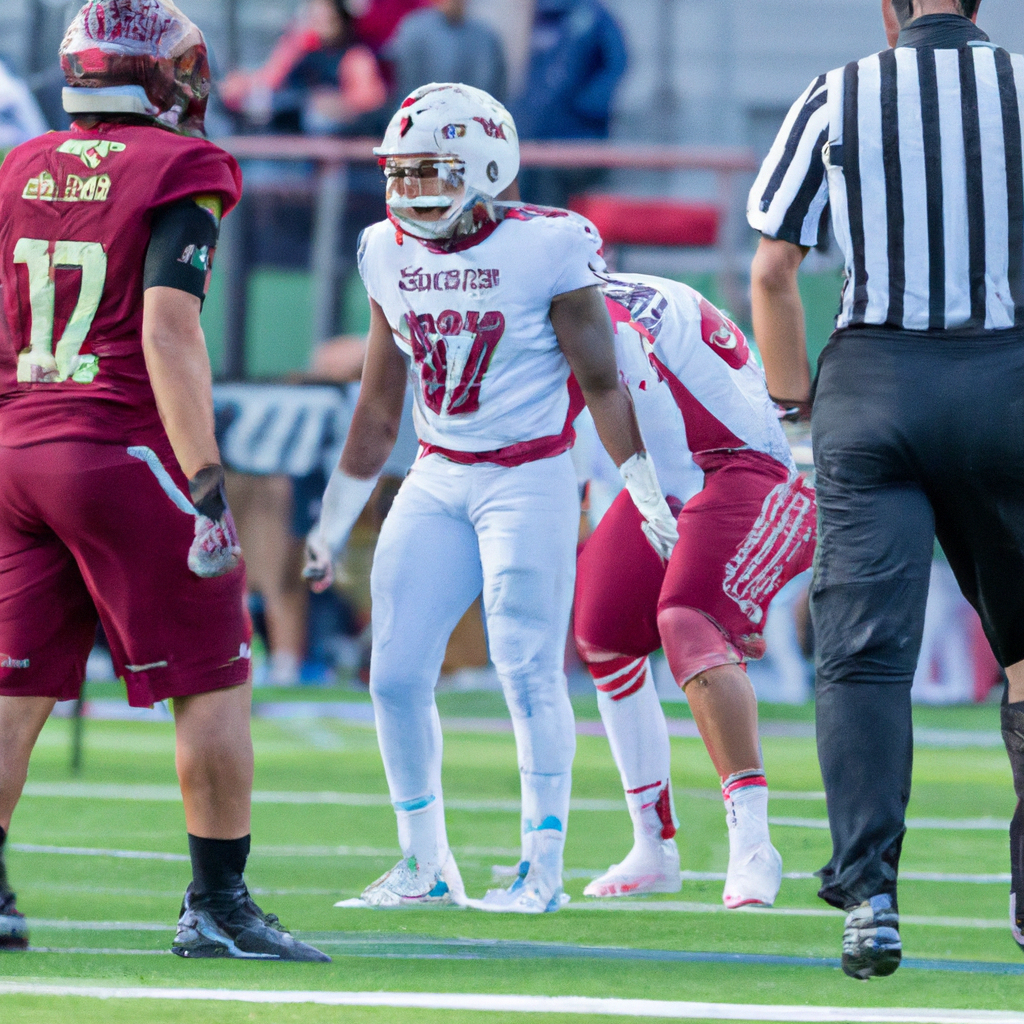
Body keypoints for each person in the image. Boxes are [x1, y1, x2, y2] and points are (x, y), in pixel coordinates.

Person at [0, 0, 328, 962]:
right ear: (157, 75)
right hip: (117, 449)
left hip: (17, 446)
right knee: (216, 673)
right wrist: (206, 480)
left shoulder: (18, 162)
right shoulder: (187, 165)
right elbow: (168, 329)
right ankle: (219, 905)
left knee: (13, 688)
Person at [303, 82, 678, 913]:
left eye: (430, 169)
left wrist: (641, 487)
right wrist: (333, 518)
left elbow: (602, 380)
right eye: (399, 171)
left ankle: (539, 869)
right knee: (394, 674)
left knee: (527, 669)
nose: (408, 189)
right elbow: (376, 403)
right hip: (438, 471)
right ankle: (424, 863)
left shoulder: (550, 244)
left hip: (530, 474)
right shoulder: (384, 249)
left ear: (487, 164)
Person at [747, 0, 1024, 979]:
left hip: (874, 391)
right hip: (1007, 386)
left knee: (862, 657)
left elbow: (774, 269)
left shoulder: (838, 90)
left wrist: (793, 419)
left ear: (886, 9)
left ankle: (868, 896)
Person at [573, 274, 815, 907]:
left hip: (752, 471)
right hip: (678, 475)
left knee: (689, 623)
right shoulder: (582, 295)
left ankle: (753, 843)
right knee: (602, 632)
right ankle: (652, 845)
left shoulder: (602, 317)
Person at [512, 0, 627, 208]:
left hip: (577, 139)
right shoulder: (534, 14)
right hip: (531, 136)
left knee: (550, 194)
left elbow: (618, 61)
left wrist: (589, 105)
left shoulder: (591, 15)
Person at [384, 0, 507, 105]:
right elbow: (404, 84)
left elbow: (497, 90)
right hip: (421, 119)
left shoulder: (486, 37)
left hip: (474, 122)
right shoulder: (414, 30)